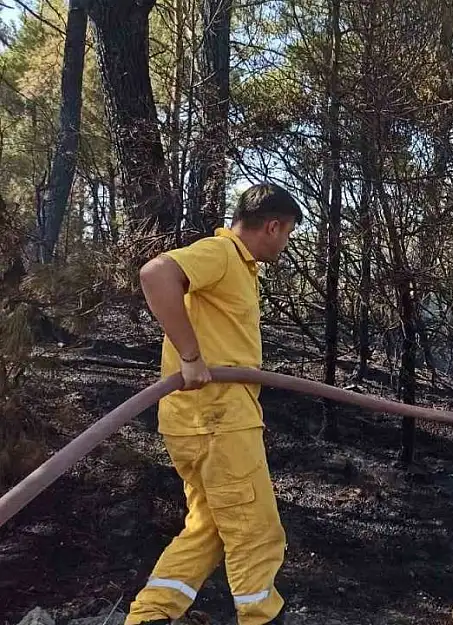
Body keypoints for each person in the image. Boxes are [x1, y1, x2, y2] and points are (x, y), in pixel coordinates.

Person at [126, 183, 302, 625]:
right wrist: (190, 356)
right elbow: (155, 273)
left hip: (201, 421)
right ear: (273, 226)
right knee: (256, 531)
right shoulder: (222, 254)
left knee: (207, 528)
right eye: (287, 235)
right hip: (216, 420)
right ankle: (262, 617)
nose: (285, 244)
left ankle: (151, 615)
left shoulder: (239, 269)